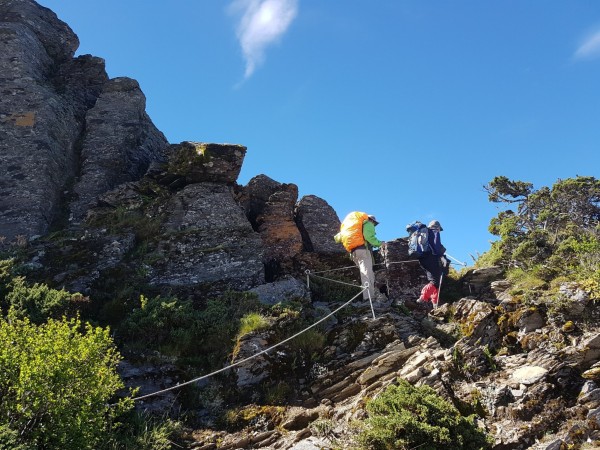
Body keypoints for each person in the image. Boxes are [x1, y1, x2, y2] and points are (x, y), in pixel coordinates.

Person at [334, 212, 387, 303]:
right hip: (363, 250)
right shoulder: (368, 223)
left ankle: (371, 294)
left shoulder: (351, 227)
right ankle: (369, 298)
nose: (374, 225)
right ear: (372, 220)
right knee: (367, 273)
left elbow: (337, 238)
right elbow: (368, 236)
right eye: (374, 223)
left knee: (365, 273)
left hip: (353, 252)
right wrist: (380, 243)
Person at [416, 220, 449, 309]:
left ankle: (435, 302)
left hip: (423, 259)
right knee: (435, 281)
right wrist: (441, 256)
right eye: (439, 229)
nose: (439, 231)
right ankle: (423, 297)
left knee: (436, 281)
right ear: (437, 227)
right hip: (430, 258)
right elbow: (436, 245)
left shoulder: (424, 233)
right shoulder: (434, 231)